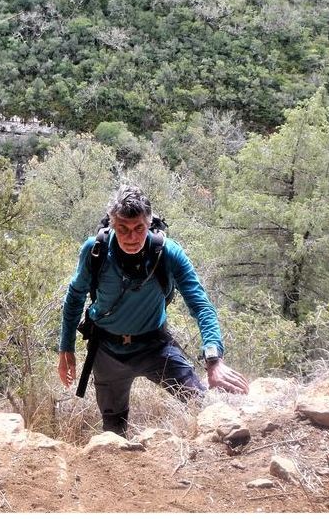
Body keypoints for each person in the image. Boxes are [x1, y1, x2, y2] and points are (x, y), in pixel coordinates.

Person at [57, 185, 249, 437]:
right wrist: (66, 348)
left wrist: (214, 360)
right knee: (113, 430)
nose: (132, 237)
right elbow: (74, 297)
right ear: (112, 224)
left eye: (139, 228)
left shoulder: (168, 253)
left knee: (200, 403)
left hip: (156, 347)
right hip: (107, 351)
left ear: (149, 223)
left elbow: (200, 305)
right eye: (123, 229)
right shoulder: (96, 251)